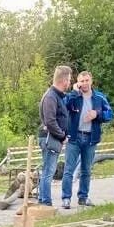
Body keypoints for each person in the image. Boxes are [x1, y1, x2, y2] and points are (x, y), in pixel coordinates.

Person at [61, 71, 113, 208]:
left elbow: (109, 114)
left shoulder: (99, 97)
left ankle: (83, 197)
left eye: (86, 80)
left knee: (86, 170)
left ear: (91, 81)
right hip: (74, 136)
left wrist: (97, 113)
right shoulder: (74, 97)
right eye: (81, 81)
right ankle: (66, 198)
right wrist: (73, 92)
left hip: (91, 137)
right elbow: (63, 106)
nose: (84, 83)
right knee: (69, 169)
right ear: (78, 83)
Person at [37, 65, 72, 207]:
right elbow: (50, 121)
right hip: (50, 138)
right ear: (63, 80)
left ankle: (42, 199)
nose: (70, 83)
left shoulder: (57, 96)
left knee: (48, 170)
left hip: (52, 138)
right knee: (48, 171)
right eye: (69, 80)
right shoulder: (51, 97)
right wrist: (62, 136)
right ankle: (45, 202)